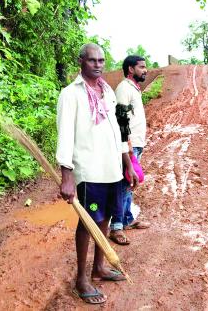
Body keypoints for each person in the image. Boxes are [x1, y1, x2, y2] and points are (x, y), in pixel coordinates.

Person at [56, 43, 138, 304]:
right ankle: (82, 279)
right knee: (87, 222)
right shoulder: (70, 94)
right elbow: (65, 135)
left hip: (112, 169)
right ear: (81, 61)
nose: (98, 64)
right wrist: (67, 175)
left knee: (105, 218)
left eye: (101, 60)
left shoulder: (107, 91)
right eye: (92, 60)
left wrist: (126, 162)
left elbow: (115, 129)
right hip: (89, 171)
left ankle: (99, 267)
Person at [109, 55, 151, 245]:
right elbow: (120, 121)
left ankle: (126, 219)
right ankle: (116, 227)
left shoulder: (133, 88)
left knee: (130, 183)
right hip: (128, 146)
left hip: (136, 144)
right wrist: (127, 146)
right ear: (130, 69)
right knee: (123, 184)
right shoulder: (124, 89)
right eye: (141, 67)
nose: (145, 70)